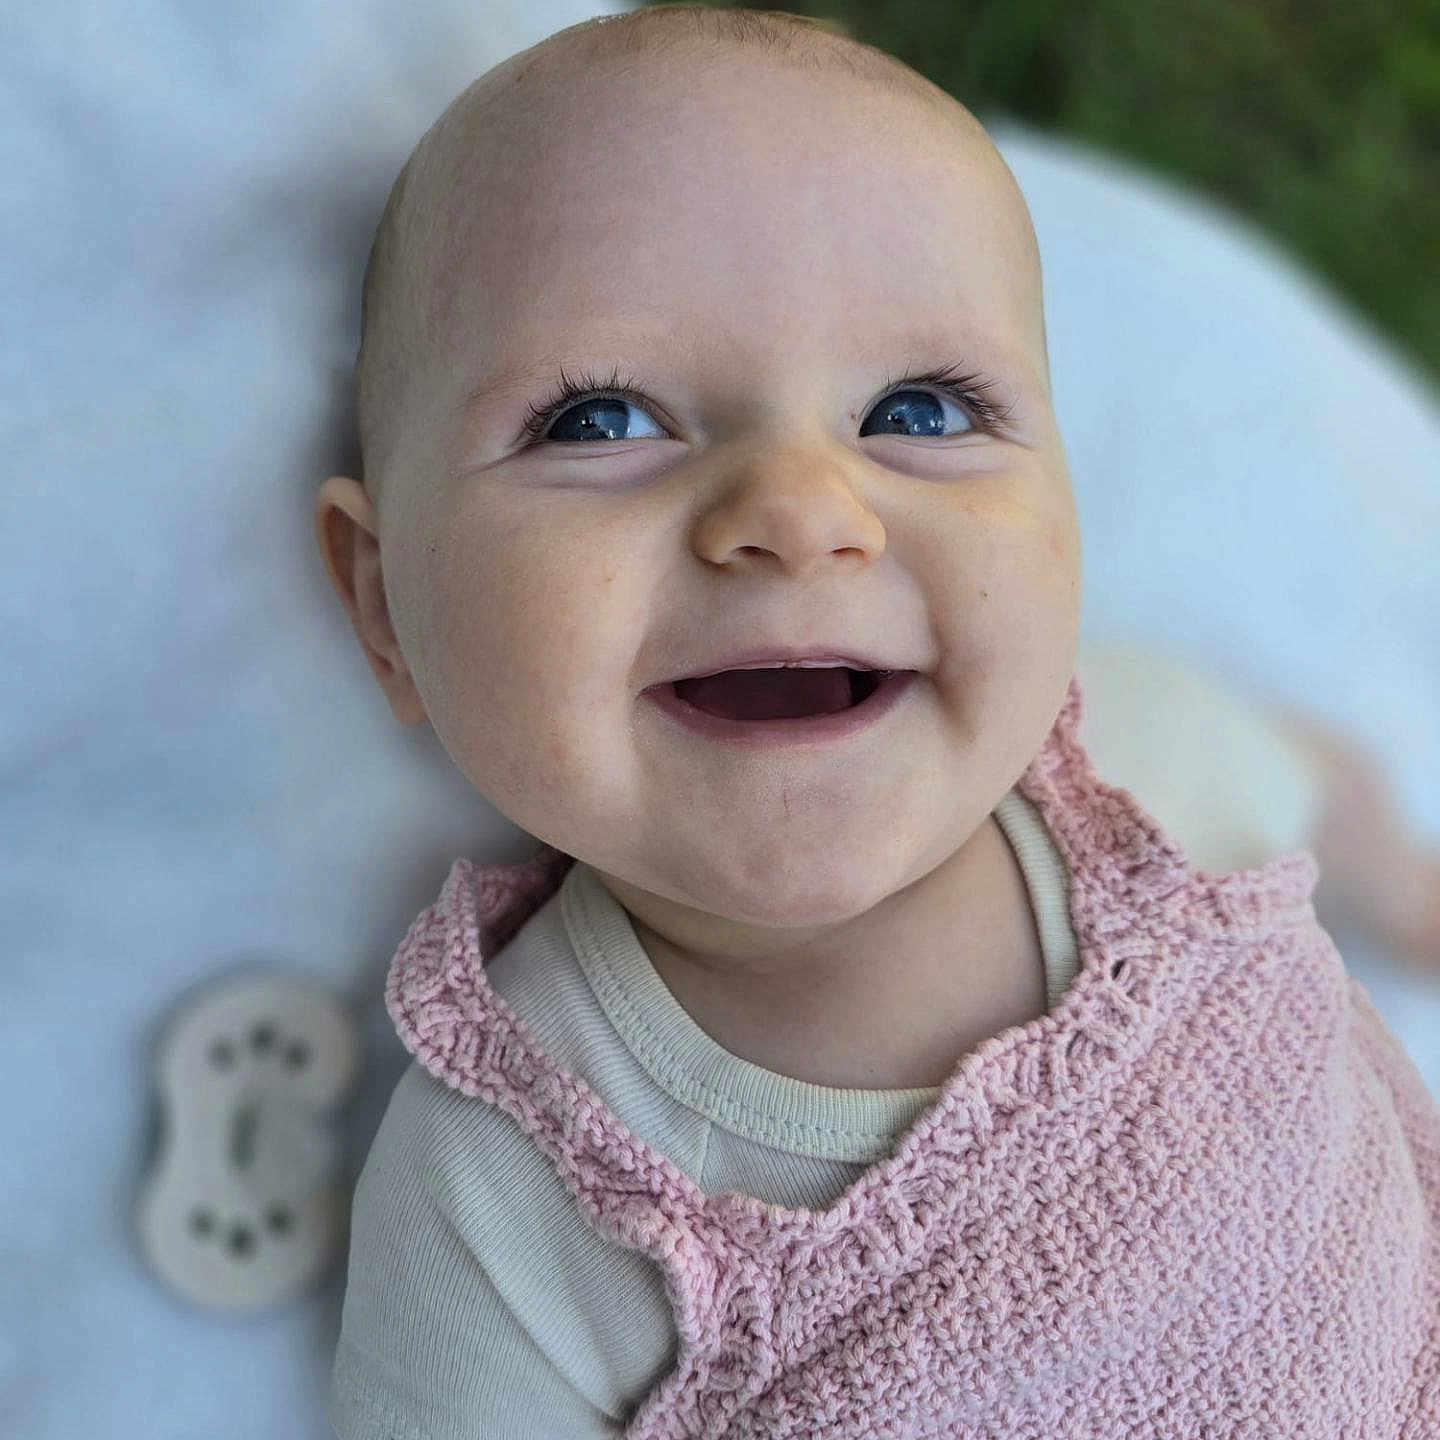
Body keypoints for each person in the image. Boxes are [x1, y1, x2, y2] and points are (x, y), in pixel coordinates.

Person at [313, 8, 1440, 1435]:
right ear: (386, 607)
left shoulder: (1146, 774)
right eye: (601, 421)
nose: (799, 512)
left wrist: (1410, 895)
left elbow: (1313, 782)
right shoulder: (507, 1194)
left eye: (917, 409)